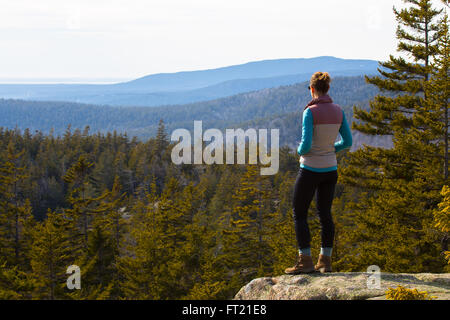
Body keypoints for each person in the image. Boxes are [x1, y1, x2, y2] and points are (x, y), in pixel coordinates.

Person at [285, 72, 352, 274]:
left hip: (310, 169)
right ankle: (325, 261)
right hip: (330, 170)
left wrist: (298, 150)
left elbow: (305, 147)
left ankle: (305, 261)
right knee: (325, 215)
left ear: (312, 89)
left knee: (299, 213)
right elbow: (347, 142)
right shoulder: (339, 111)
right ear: (327, 89)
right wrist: (331, 149)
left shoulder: (310, 112)